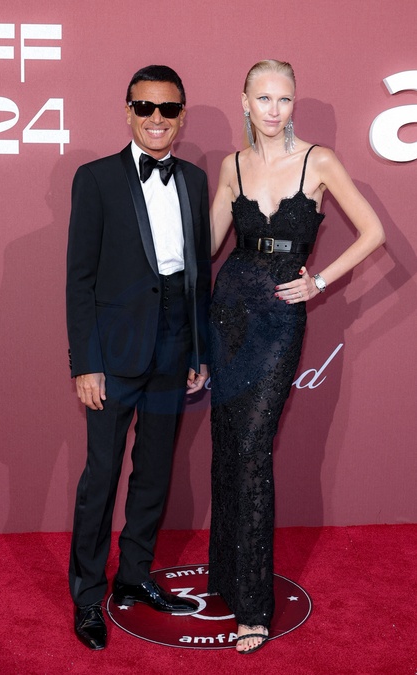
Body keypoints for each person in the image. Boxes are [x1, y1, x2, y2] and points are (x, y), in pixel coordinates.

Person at [208, 59, 385, 655]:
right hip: (228, 311)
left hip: (279, 318)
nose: (274, 110)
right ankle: (227, 578)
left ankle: (254, 607)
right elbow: (207, 245)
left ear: (293, 103)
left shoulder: (319, 161)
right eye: (263, 98)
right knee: (228, 446)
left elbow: (374, 232)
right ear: (245, 102)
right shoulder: (231, 167)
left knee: (253, 448)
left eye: (284, 99)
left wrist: (320, 281)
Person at [66, 64, 211, 650]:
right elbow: (79, 280)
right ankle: (86, 596)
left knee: (153, 472)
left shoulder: (195, 180)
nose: (156, 119)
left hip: (174, 346)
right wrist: (85, 362)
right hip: (113, 352)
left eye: (168, 109)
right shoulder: (96, 178)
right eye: (145, 107)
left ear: (181, 115)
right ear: (128, 112)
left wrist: (198, 347)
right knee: (101, 476)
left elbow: (198, 272)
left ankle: (133, 575)